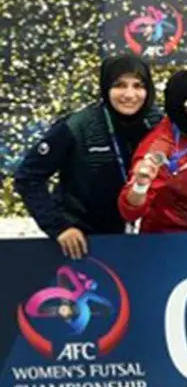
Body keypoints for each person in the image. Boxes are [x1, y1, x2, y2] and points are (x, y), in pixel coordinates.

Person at [15, 55, 160, 259]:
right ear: (105, 87)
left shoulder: (158, 124)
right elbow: (28, 177)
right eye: (119, 85)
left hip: (148, 242)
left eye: (138, 86)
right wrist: (59, 226)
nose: (129, 94)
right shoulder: (79, 126)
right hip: (84, 244)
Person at [119, 70, 187, 234]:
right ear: (181, 107)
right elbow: (130, 211)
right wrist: (140, 185)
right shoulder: (159, 150)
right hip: (171, 235)